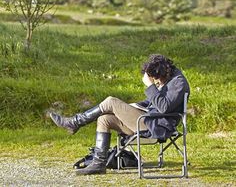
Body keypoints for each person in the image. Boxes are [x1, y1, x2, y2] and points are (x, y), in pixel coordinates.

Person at [47, 54, 190, 175]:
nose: (156, 82)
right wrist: (132, 107)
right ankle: (99, 164)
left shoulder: (178, 83)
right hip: (148, 121)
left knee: (110, 101)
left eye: (155, 79)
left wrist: (150, 85)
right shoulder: (168, 79)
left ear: (162, 72)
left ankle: (74, 122)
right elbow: (151, 102)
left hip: (156, 127)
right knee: (105, 119)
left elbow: (163, 107)